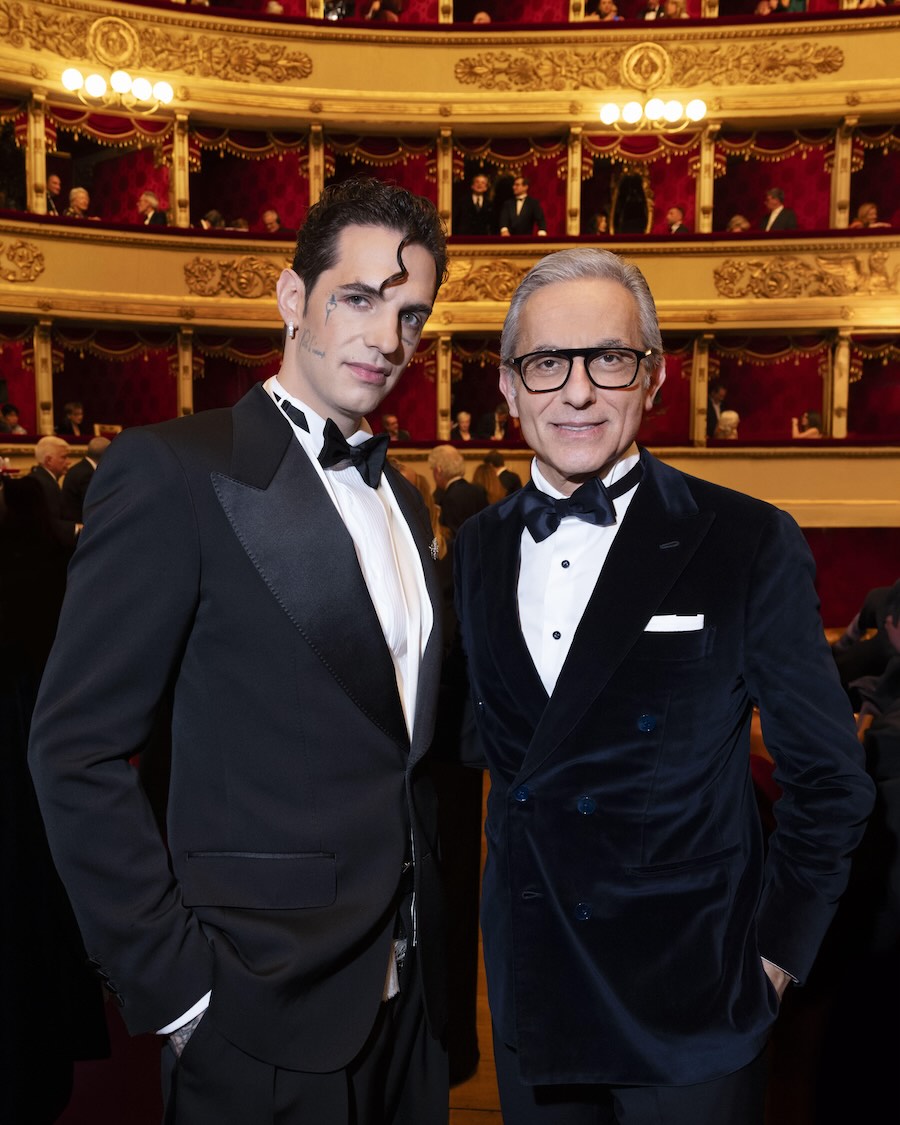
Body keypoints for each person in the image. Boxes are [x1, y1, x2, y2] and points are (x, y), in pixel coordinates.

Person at [28, 178, 451, 1125]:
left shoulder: (405, 498)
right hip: (257, 1009)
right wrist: (181, 992)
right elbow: (73, 750)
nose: (387, 338)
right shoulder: (172, 469)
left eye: (411, 315)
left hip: (410, 1000)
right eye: (358, 297)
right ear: (293, 297)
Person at [452, 247, 874, 1124]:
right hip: (536, 1000)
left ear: (653, 376)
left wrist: (774, 960)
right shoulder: (478, 548)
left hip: (694, 1011)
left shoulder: (746, 539)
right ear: (508, 385)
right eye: (547, 362)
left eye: (609, 357)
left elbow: (832, 781)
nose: (577, 391)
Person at [29, 435, 79, 548]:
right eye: (64, 457)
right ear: (48, 460)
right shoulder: (43, 484)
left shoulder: (41, 479)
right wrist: (76, 528)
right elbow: (49, 525)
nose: (69, 462)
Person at [428, 444, 487, 536]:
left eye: (433, 470)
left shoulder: (449, 498)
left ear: (438, 470)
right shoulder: (478, 490)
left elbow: (454, 536)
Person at [59, 435, 110, 524]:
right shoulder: (87, 475)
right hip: (81, 526)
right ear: (107, 455)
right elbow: (94, 505)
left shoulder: (78, 468)